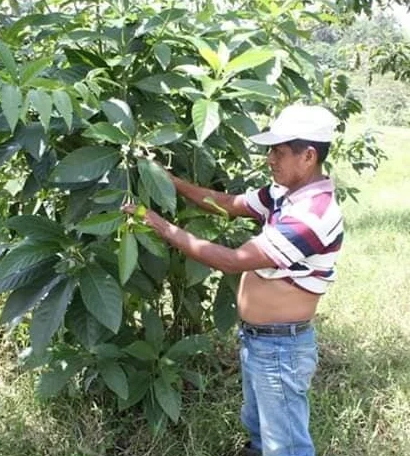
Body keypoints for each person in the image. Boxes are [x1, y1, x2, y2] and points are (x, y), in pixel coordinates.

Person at [122, 105, 344, 456]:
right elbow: (227, 202)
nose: (270, 159)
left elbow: (233, 260)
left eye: (279, 152)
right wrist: (170, 182)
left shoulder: (312, 216)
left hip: (281, 349)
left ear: (309, 156)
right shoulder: (282, 194)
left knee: (285, 444)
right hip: (261, 341)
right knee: (260, 429)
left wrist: (159, 225)